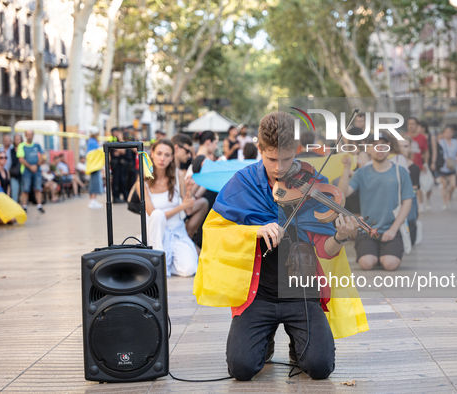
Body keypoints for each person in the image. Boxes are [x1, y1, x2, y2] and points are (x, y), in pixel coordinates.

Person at [193, 111, 368, 381]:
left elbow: (325, 250)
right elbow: (215, 232)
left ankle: (298, 347)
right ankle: (264, 342)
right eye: (272, 159)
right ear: (260, 149)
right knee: (241, 369)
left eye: (287, 158)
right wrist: (254, 231)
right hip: (258, 296)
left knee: (320, 367)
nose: (279, 167)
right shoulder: (243, 183)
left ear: (296, 150)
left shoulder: (313, 184)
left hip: (302, 293)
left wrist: (341, 237)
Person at [339, 132, 414, 271]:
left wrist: (393, 229)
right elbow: (343, 194)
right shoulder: (361, 173)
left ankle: (384, 254)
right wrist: (346, 168)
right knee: (366, 264)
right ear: (368, 148)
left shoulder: (400, 171)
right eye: (375, 145)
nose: (379, 149)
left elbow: (408, 201)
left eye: (383, 145)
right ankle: (375, 253)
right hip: (367, 230)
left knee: (390, 264)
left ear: (389, 147)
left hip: (392, 229)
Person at [136, 139, 198, 277]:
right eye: (159, 153)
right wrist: (181, 206)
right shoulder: (142, 181)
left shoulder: (178, 175)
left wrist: (188, 191)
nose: (162, 158)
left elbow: (188, 210)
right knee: (158, 214)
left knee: (188, 270)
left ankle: (166, 262)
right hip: (155, 234)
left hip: (176, 232)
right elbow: (152, 214)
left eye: (167, 155)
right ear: (151, 154)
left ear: (172, 158)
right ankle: (159, 259)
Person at [170, 133, 209, 240]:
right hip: (169, 217)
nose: (189, 156)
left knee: (202, 203)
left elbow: (187, 201)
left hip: (174, 214)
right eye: (187, 151)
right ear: (176, 148)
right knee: (203, 203)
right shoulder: (171, 170)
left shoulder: (177, 171)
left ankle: (186, 239)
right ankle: (186, 238)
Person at [398, 134, 420, 245]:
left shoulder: (414, 167)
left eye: (406, 146)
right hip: (394, 197)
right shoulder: (391, 164)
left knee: (411, 219)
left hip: (408, 197)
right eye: (400, 145)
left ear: (410, 147)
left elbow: (415, 187)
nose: (403, 149)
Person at [17, 130, 45, 213]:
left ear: (33, 136)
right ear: (25, 136)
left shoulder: (37, 145)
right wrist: (30, 167)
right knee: (25, 189)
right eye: (28, 135)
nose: (29, 136)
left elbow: (42, 156)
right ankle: (24, 206)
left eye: (31, 134)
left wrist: (36, 165)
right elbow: (21, 158)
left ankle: (39, 205)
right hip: (26, 171)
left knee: (37, 188)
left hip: (37, 170)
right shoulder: (21, 145)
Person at [406, 117, 429, 211]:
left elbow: (426, 151)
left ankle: (420, 204)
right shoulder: (404, 136)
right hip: (407, 165)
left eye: (413, 123)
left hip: (418, 166)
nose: (411, 126)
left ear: (417, 125)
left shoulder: (422, 137)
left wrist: (426, 163)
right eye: (409, 123)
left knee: (417, 186)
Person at [438, 126, 457, 210]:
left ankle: (449, 196)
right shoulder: (441, 142)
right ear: (443, 133)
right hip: (443, 166)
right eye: (446, 132)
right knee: (444, 185)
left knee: (453, 185)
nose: (448, 133)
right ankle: (445, 203)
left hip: (452, 166)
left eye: (450, 132)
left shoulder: (455, 142)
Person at [87, 127, 104, 209]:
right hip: (94, 166)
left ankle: (93, 200)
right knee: (94, 183)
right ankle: (92, 201)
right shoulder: (92, 142)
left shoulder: (92, 141)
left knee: (95, 183)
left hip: (95, 166)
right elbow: (94, 153)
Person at [9, 134, 23, 202]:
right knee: (14, 191)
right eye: (16, 139)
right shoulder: (11, 150)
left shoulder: (24, 148)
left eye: (18, 139)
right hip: (14, 173)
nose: (17, 140)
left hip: (23, 173)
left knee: (23, 191)